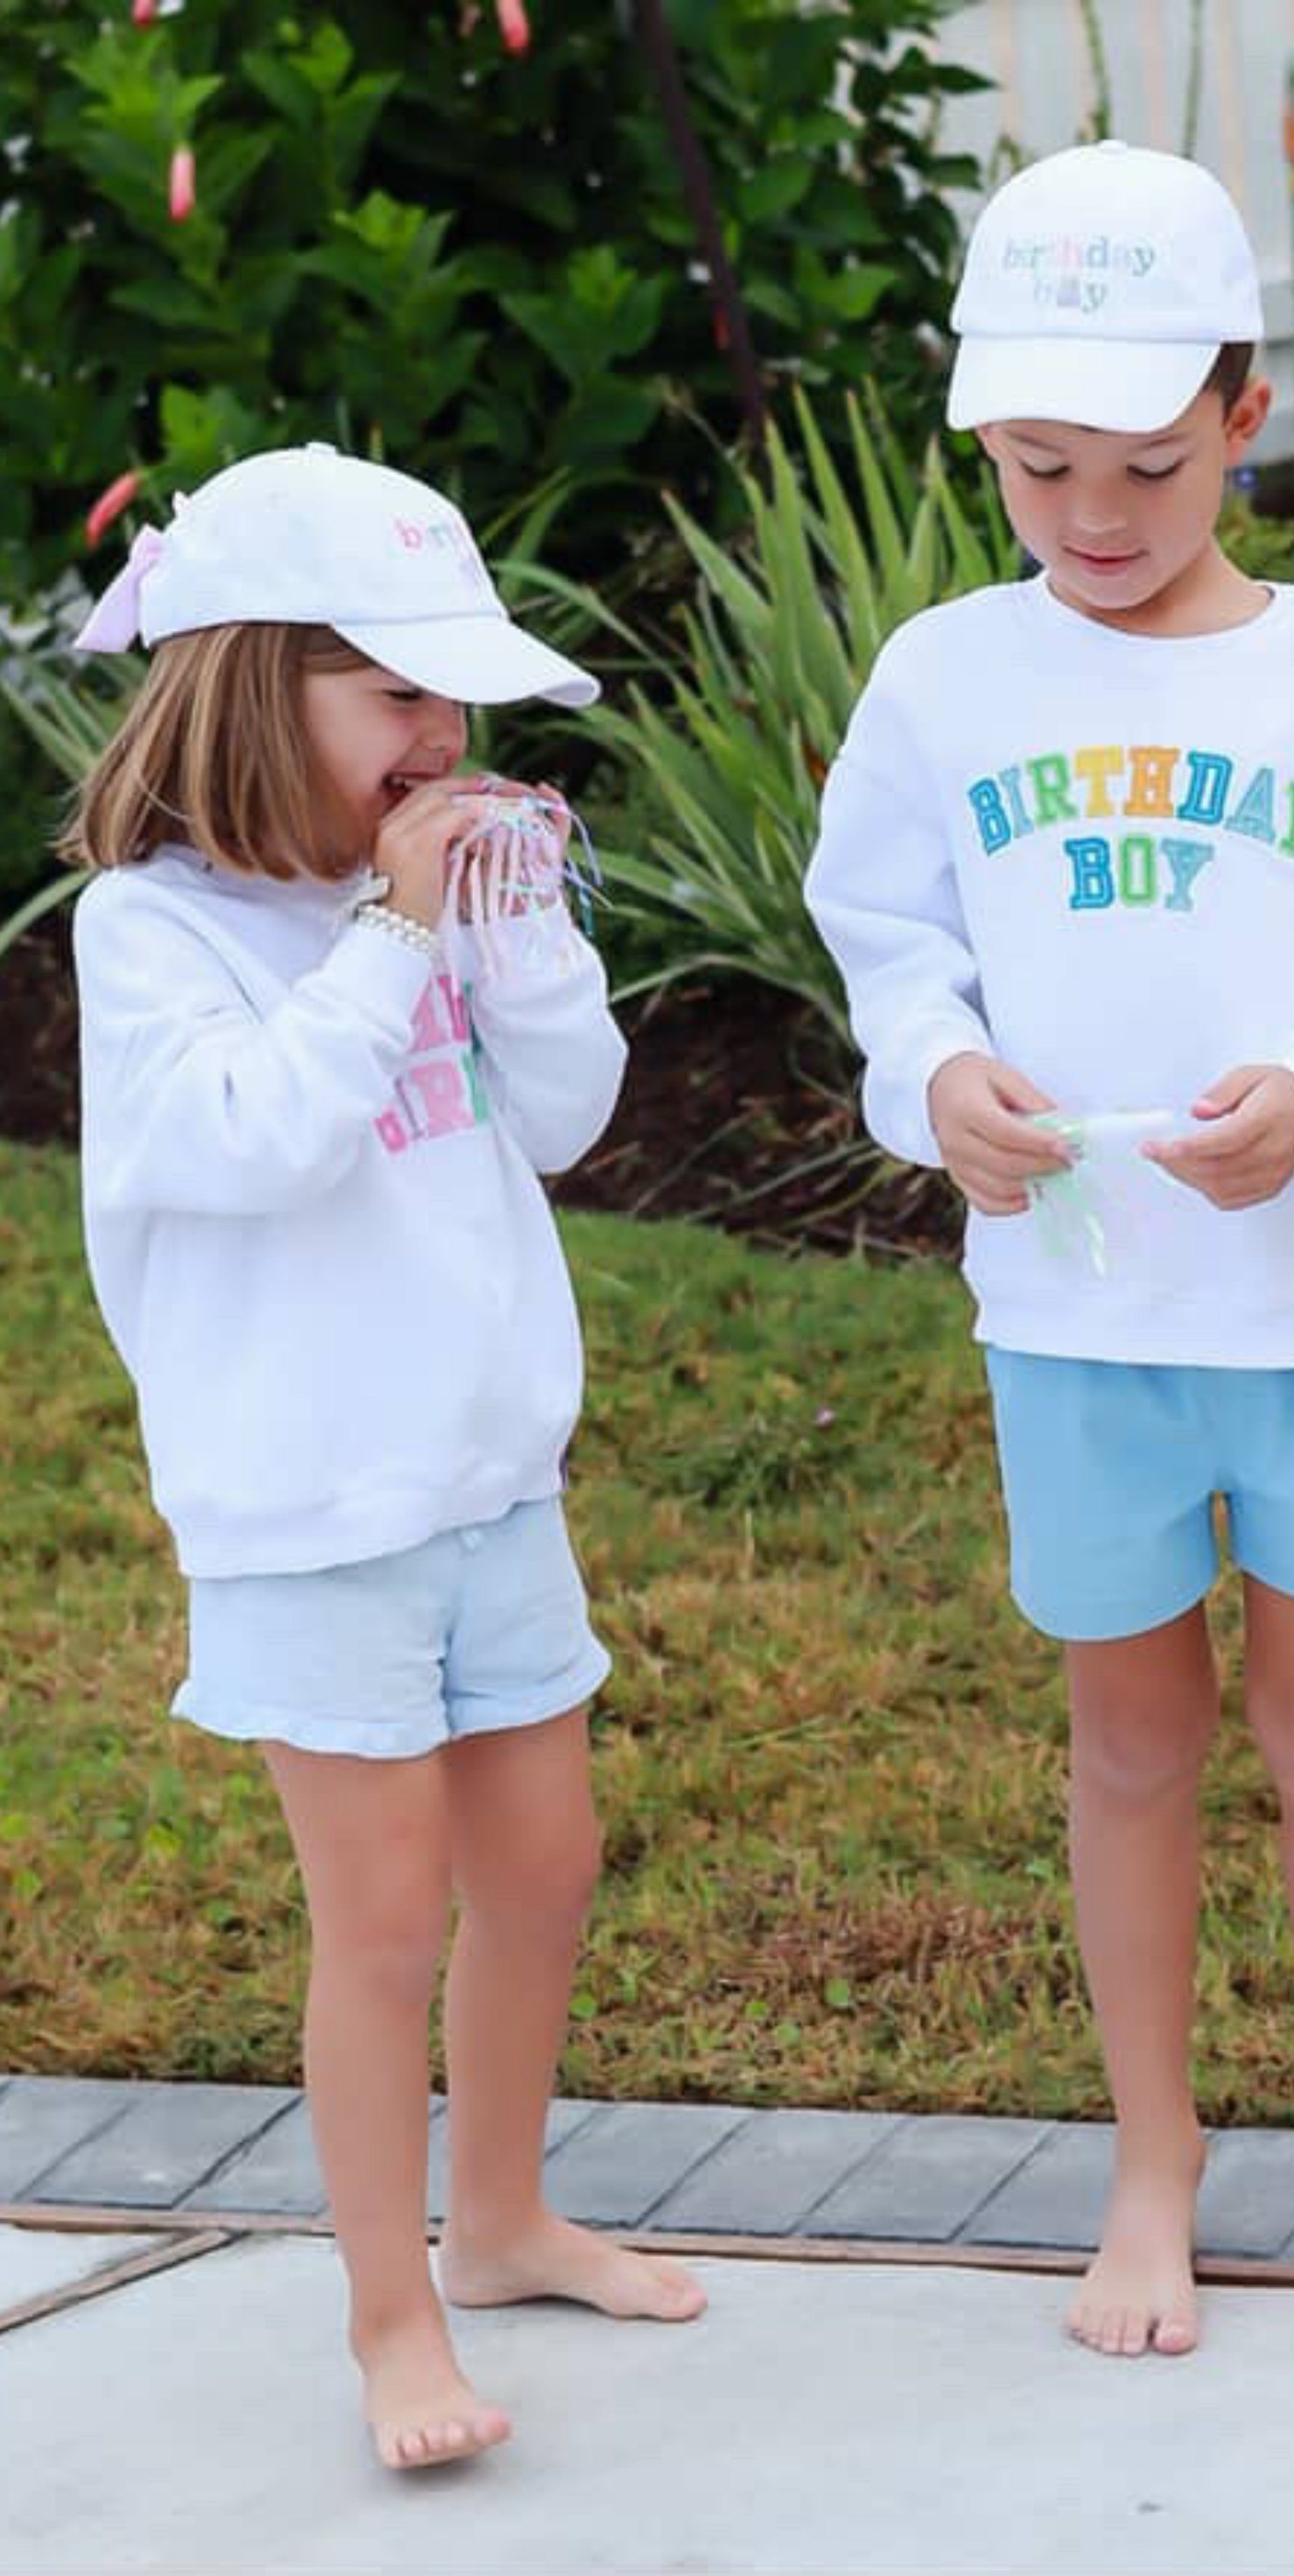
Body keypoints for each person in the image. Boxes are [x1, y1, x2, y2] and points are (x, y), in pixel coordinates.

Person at [806, 143, 1294, 2358]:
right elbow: (888, 943)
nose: (1093, 516)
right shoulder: (944, 680)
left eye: (1142, 462)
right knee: (1127, 1742)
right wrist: (929, 1083)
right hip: (1077, 1319)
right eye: (1038, 468)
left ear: (1242, 414)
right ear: (986, 438)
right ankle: (1150, 2165)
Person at [68, 445, 704, 2469]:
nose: (444, 740)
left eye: (453, 702)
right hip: (311, 1516)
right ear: (260, 689)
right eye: (398, 700)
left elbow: (563, 1123)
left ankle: (502, 2216)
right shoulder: (154, 935)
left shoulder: (400, 906)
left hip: (485, 1485)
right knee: (389, 1920)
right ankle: (388, 2320)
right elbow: (253, 1141)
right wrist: (400, 935)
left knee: (545, 1867)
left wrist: (510, 932)